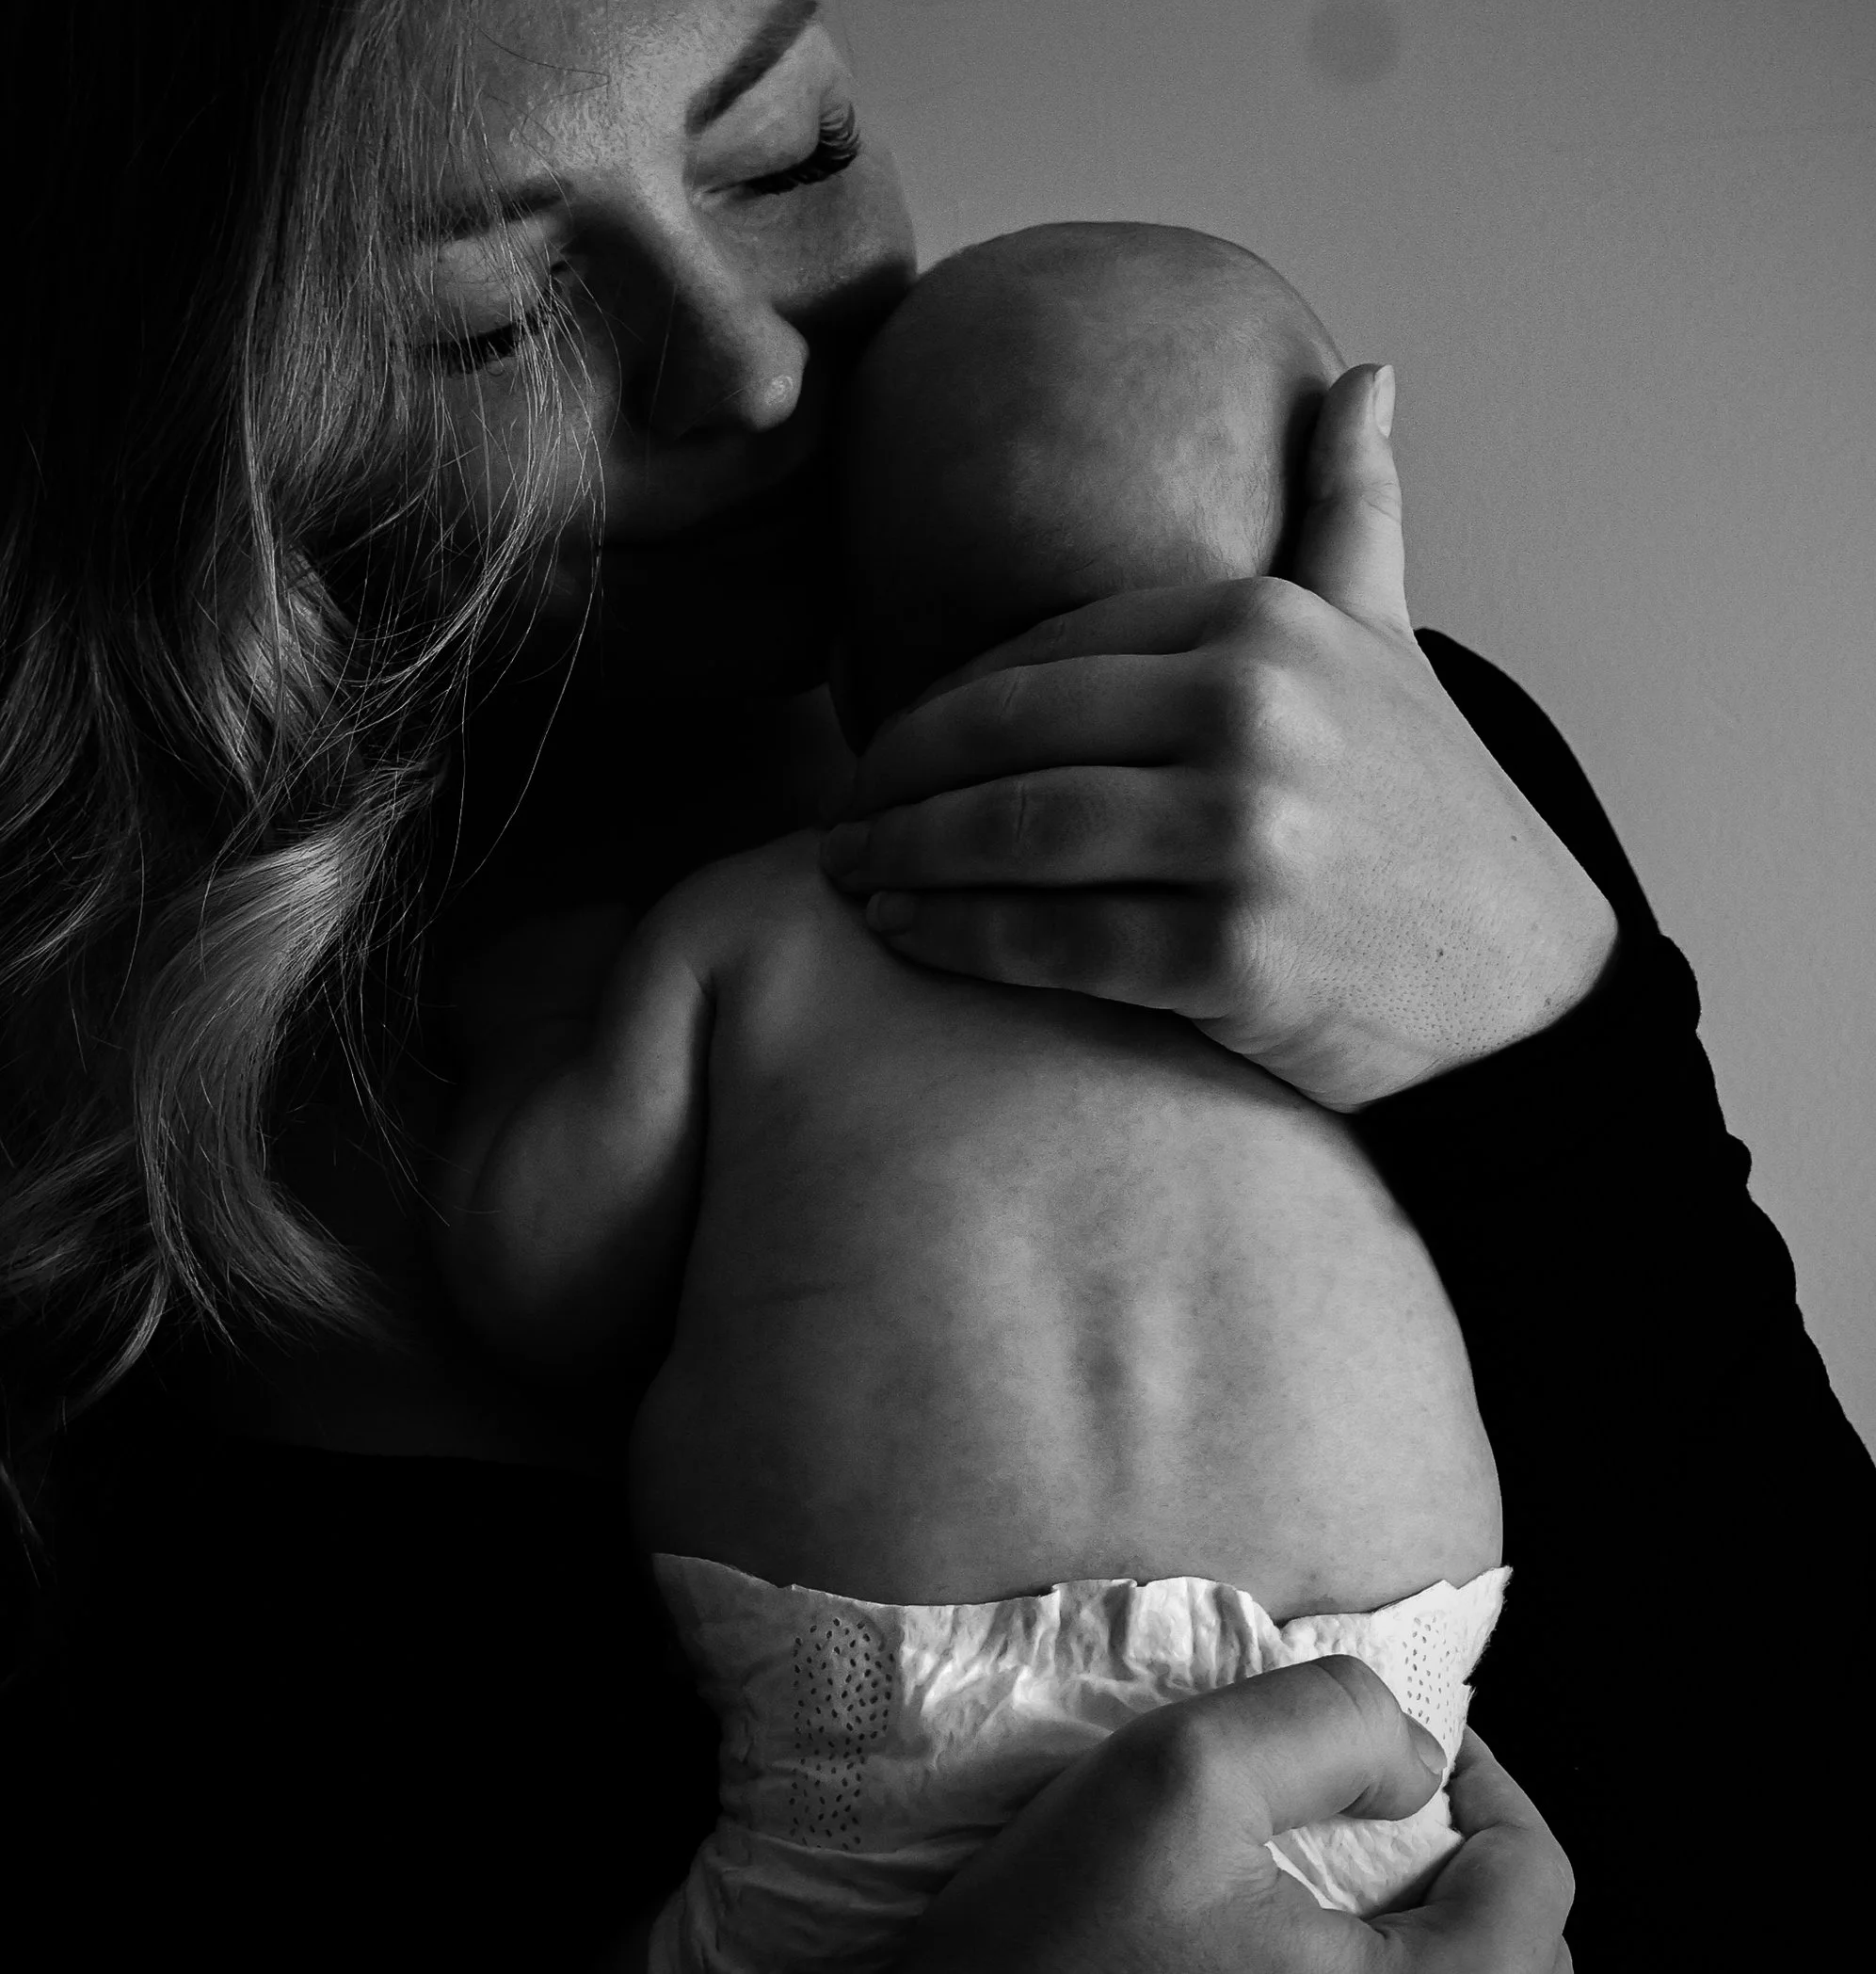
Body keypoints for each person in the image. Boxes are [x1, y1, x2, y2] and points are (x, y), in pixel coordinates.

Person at [0, 0, 1876, 1970]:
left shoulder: (1328, 788)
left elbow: (1840, 1872)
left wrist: (1538, 1036)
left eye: (789, 150)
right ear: (183, 406)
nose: (746, 362)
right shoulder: (87, 1131)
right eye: (495, 317)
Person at [440, 219, 1512, 1969]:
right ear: (1323, 636)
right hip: (1367, 1719)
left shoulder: (766, 925)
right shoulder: (1357, 956)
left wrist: (541, 1023)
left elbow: (542, 1277)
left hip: (901, 1732)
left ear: (851, 666)